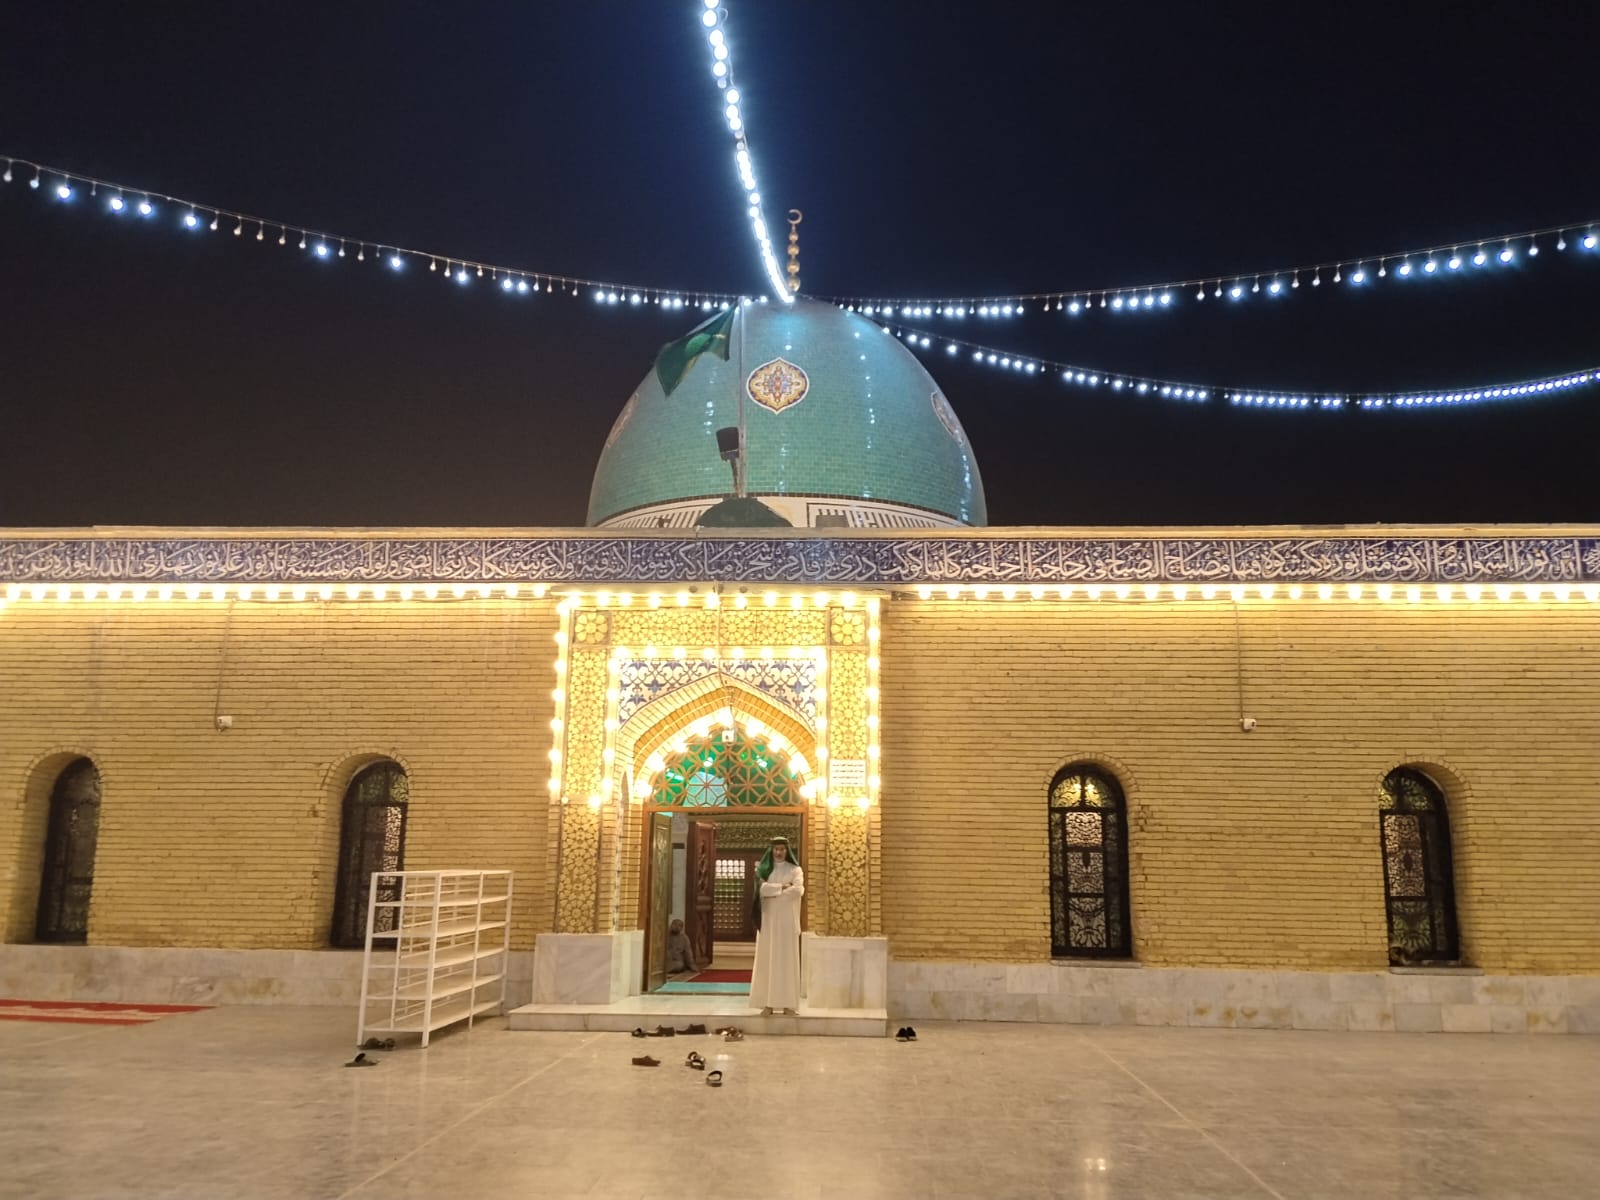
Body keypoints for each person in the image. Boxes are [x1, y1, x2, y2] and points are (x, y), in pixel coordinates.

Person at [749, 836, 804, 1015]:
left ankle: (788, 1005)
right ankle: (768, 1004)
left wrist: (772, 891)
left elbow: (798, 890)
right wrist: (783, 887)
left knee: (787, 963)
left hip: (787, 922)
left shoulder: (795, 870)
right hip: (768, 922)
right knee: (768, 962)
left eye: (782, 849)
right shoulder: (763, 870)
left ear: (787, 851)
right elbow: (761, 890)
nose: (779, 852)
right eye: (776, 849)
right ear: (771, 850)